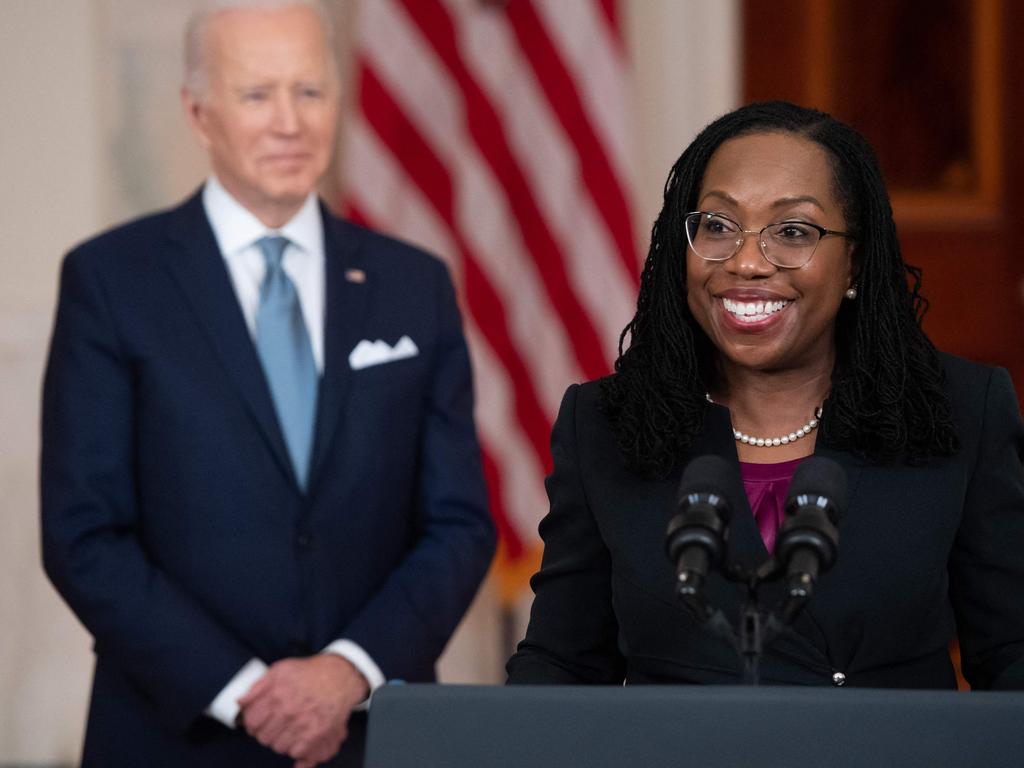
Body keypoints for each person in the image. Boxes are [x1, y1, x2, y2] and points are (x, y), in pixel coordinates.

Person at [40, 2, 495, 766]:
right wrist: (249, 692)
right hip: (175, 732)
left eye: (309, 91)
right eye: (256, 95)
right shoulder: (111, 282)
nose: (290, 121)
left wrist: (346, 673)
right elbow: (85, 536)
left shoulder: (414, 285)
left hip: (371, 734)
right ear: (199, 112)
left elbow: (458, 524)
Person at [506, 101, 1024, 690]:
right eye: (718, 226)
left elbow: (1012, 655)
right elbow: (563, 664)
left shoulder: (959, 412)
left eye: (794, 231)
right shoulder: (606, 424)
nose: (747, 262)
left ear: (854, 262)